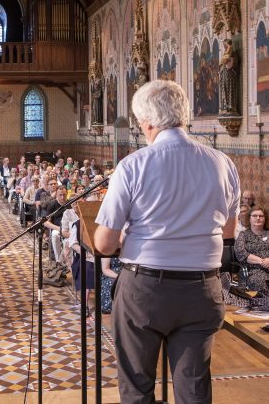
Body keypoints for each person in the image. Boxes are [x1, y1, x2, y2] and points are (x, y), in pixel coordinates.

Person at [94, 80, 240, 404]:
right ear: (184, 116)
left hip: (145, 290)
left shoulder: (133, 165)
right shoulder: (223, 163)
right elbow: (229, 232)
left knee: (137, 386)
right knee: (194, 388)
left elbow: (104, 244)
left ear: (147, 123)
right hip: (202, 290)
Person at [234, 205, 269, 295]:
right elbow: (240, 253)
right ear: (249, 218)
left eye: (261, 216)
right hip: (251, 270)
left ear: (265, 219)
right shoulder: (243, 235)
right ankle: (264, 305)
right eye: (254, 216)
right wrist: (261, 261)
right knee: (260, 281)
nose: (258, 218)